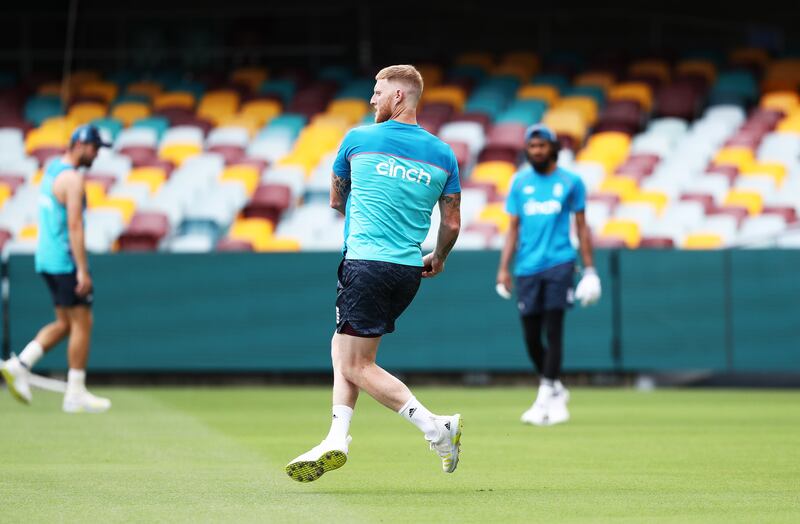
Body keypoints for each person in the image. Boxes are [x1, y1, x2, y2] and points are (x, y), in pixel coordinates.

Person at [285, 65, 462, 482]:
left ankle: (436, 428)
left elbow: (335, 199)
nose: (372, 99)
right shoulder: (443, 153)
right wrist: (439, 257)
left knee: (358, 365)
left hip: (365, 263)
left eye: (378, 91)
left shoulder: (358, 139)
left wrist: (369, 219)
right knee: (342, 349)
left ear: (399, 97)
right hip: (407, 271)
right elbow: (452, 224)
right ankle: (336, 436)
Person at [1, 124, 112, 414]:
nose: (97, 154)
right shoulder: (73, 179)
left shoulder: (52, 169)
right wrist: (83, 271)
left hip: (46, 258)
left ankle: (19, 364)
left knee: (65, 324)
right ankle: (75, 393)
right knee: (83, 322)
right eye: (94, 148)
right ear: (79, 144)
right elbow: (74, 226)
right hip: (64, 260)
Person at [496, 124, 601, 426]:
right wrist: (504, 268)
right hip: (527, 267)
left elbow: (582, 227)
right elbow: (512, 228)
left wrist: (590, 270)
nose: (536, 151)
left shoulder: (571, 182)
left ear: (553, 149)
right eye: (532, 146)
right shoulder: (519, 183)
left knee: (553, 330)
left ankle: (543, 396)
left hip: (560, 263)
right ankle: (556, 389)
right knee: (531, 336)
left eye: (542, 146)